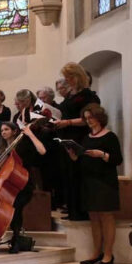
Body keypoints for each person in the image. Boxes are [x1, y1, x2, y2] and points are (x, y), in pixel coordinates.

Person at [0, 121, 49, 253]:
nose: (3, 132)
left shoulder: (23, 144)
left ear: (15, 131)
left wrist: (30, 133)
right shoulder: (2, 149)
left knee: (15, 208)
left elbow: (42, 151)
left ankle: (16, 239)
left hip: (22, 185)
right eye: (2, 130)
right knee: (10, 206)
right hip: (5, 185)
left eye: (6, 130)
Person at [66, 104, 122, 264]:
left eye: (91, 118)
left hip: (105, 182)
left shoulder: (110, 137)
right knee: (94, 219)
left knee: (106, 217)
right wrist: (74, 156)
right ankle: (96, 252)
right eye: (86, 118)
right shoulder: (87, 137)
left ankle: (109, 254)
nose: (89, 121)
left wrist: (102, 154)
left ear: (99, 118)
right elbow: (83, 159)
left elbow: (117, 160)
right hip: (89, 182)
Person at [55, 63, 100, 220]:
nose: (68, 81)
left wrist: (67, 123)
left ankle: (81, 211)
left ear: (78, 76)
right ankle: (72, 208)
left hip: (80, 138)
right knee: (67, 174)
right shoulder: (71, 95)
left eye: (70, 77)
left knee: (77, 174)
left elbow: (88, 119)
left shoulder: (88, 95)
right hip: (67, 138)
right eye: (66, 78)